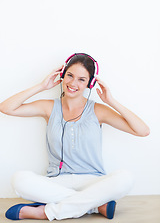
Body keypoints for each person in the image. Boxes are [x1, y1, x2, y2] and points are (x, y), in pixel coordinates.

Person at [0, 53, 150, 221]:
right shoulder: (49, 108)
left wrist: (111, 101)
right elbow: (6, 108)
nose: (72, 83)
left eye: (81, 79)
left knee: (125, 178)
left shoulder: (98, 110)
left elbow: (142, 131)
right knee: (19, 179)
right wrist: (42, 86)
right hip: (57, 181)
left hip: (93, 182)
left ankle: (46, 213)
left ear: (90, 84)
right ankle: (94, 206)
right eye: (70, 76)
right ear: (62, 75)